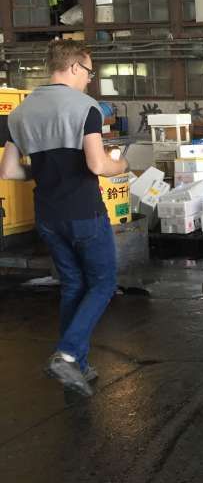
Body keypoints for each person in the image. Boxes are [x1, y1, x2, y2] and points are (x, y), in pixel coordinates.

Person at [0, 39, 129, 397]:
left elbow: (9, 171)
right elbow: (97, 164)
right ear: (73, 67)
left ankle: (79, 366)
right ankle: (68, 355)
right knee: (103, 283)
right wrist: (122, 163)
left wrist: (45, 175)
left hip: (48, 215)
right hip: (84, 213)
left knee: (73, 285)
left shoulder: (19, 113)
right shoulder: (86, 107)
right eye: (88, 71)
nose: (89, 79)